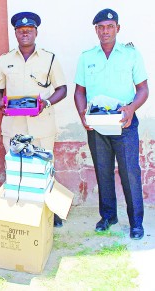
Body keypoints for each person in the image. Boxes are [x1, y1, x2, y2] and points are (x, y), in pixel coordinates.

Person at [74, 8, 149, 240]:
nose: (105, 31)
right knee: (103, 172)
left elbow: (143, 90)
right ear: (96, 30)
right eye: (101, 27)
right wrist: (82, 113)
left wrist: (131, 109)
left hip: (124, 122)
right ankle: (108, 216)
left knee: (130, 173)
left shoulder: (131, 55)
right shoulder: (87, 57)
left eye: (109, 26)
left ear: (118, 28)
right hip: (97, 124)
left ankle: (136, 222)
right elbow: (79, 91)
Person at [0, 12, 67, 227]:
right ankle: (19, 211)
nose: (25, 32)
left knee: (45, 167)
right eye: (20, 30)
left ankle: (52, 211)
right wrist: (0, 105)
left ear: (36, 32)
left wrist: (47, 103)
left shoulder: (49, 58)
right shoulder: (5, 60)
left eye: (29, 30)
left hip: (42, 124)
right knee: (17, 169)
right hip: (14, 126)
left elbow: (62, 89)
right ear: (15, 33)